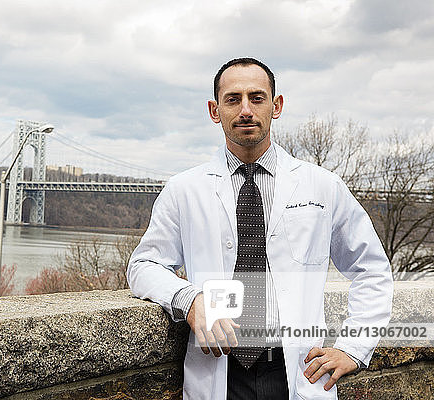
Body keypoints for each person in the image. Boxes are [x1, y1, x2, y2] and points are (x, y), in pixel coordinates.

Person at [127, 57, 393, 399]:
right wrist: (190, 300)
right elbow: (143, 265)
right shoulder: (184, 189)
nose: (246, 110)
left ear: (276, 105)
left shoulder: (322, 186)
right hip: (221, 372)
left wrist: (354, 346)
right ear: (214, 110)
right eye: (233, 99)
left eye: (257, 97)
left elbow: (371, 268)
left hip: (298, 370)